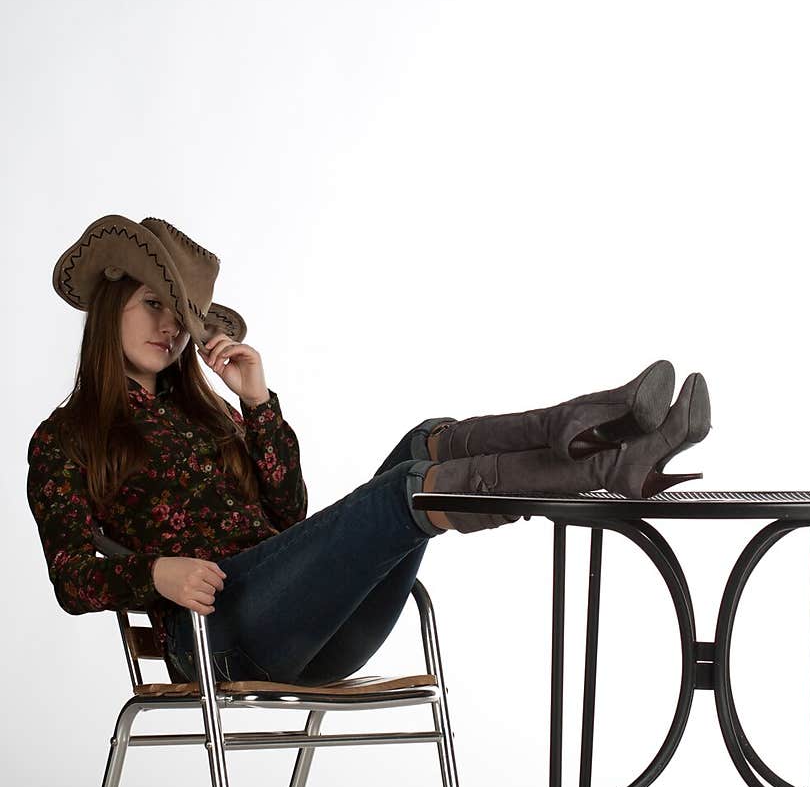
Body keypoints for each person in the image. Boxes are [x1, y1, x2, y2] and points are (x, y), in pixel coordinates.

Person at [27, 215, 711, 687]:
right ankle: (601, 463)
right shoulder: (67, 440)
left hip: (305, 617)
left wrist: (256, 404)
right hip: (220, 642)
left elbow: (286, 514)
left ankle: (602, 435)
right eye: (154, 305)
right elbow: (70, 575)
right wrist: (157, 576)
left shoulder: (205, 418)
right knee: (406, 488)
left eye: (180, 316)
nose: (170, 327)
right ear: (110, 306)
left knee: (424, 439)